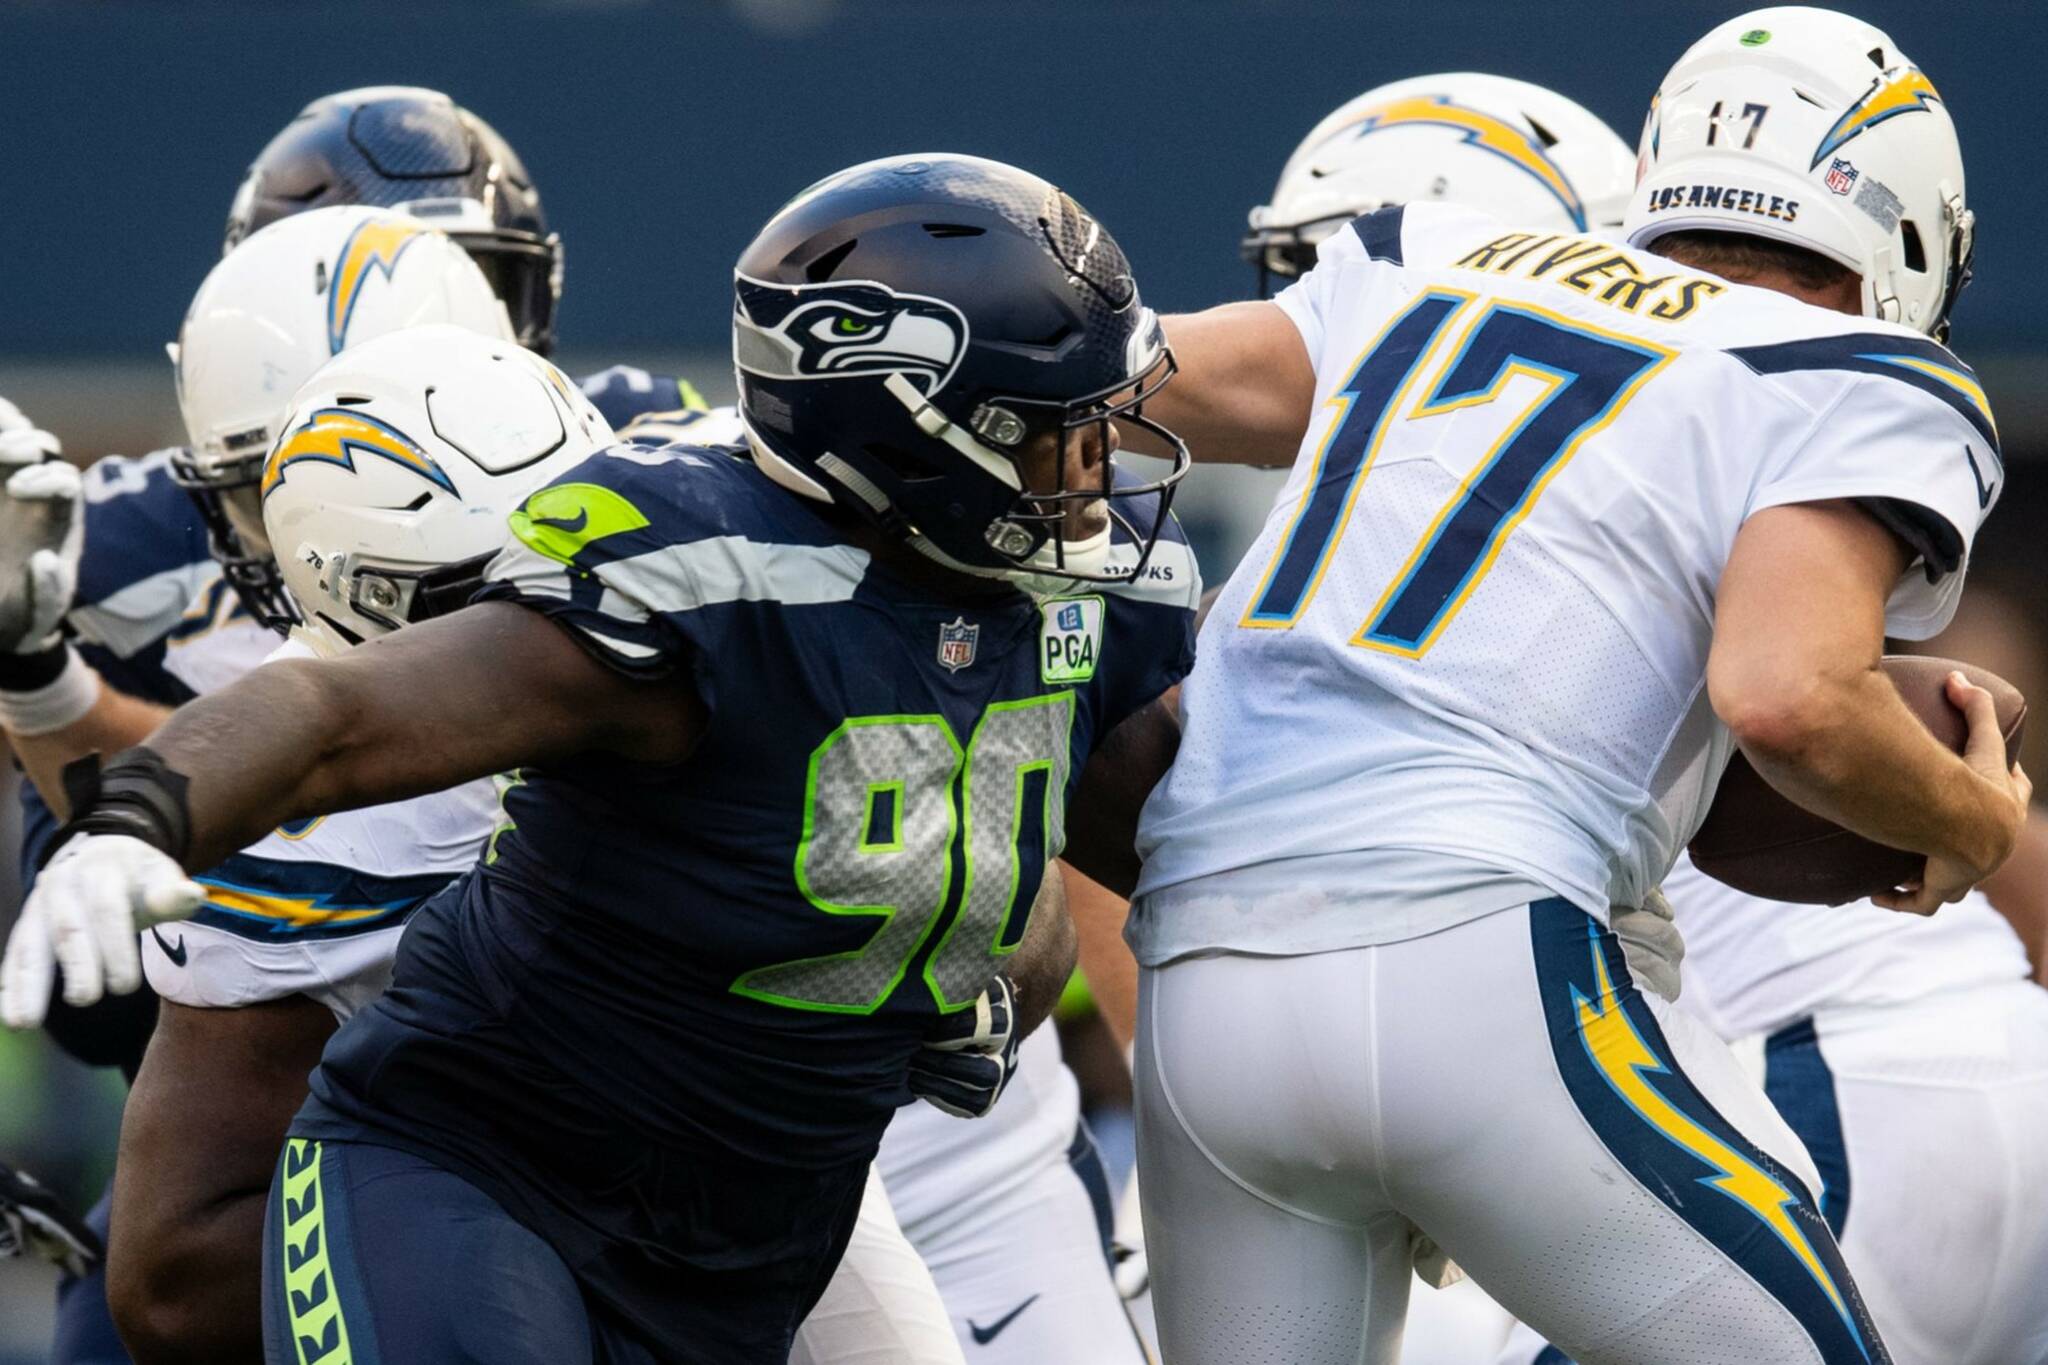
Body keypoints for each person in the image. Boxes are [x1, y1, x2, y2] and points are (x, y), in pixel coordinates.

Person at [5, 154, 1197, 1364]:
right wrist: (140, 815)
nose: (1100, 465)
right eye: (1055, 430)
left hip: (770, 1209)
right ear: (916, 428)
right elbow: (332, 717)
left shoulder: (1055, 602)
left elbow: (1111, 857)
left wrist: (967, 987)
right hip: (487, 1172)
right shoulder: (702, 584)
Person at [1120, 8, 2022, 1362]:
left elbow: (1134, 380)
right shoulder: (1856, 373)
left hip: (1207, 976)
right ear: (1908, 238)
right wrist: (1972, 819)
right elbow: (1786, 696)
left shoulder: (1425, 252)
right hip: (1479, 956)